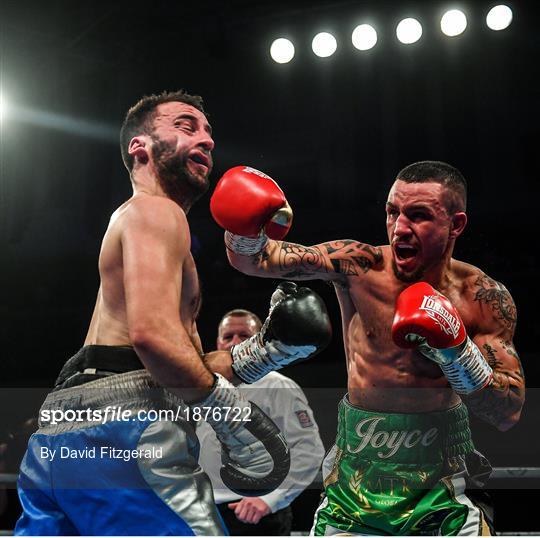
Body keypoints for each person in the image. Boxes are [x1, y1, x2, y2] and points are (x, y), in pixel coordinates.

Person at [15, 91, 332, 536]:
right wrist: (233, 422)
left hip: (62, 436)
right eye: (186, 126)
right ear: (139, 146)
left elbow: (144, 360)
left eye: (208, 133)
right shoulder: (157, 211)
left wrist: (264, 353)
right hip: (126, 439)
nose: (205, 140)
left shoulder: (138, 219)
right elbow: (152, 338)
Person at [210, 161, 526, 536]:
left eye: (418, 215)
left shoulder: (482, 297)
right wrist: (243, 228)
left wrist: (458, 352)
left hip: (442, 486)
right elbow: (256, 259)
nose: (400, 228)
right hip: (353, 485)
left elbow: (507, 411)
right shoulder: (359, 265)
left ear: (455, 225)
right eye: (393, 212)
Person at [197, 309, 325, 535]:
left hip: (257, 516)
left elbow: (309, 450)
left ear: (258, 342)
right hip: (205, 510)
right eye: (228, 337)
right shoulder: (200, 389)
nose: (235, 343)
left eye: (244, 336)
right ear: (218, 342)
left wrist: (270, 499)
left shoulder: (277, 386)